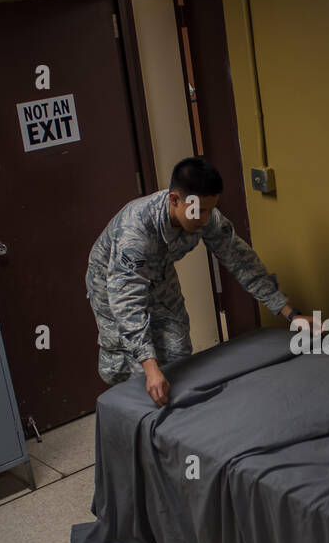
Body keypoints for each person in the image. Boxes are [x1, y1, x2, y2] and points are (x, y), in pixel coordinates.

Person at [86, 156, 310, 406]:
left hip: (159, 275)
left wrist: (291, 314)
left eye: (210, 209)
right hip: (111, 284)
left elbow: (242, 262)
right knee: (134, 372)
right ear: (174, 200)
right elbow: (127, 303)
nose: (205, 218)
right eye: (199, 211)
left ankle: (178, 421)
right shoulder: (134, 233)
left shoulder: (205, 216)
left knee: (178, 350)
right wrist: (150, 368)